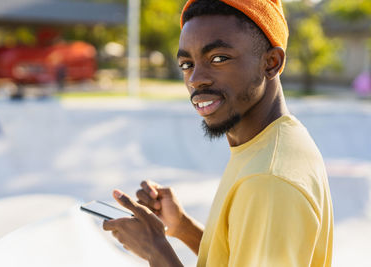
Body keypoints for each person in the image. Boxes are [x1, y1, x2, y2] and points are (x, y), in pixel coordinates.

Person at [102, 0, 334, 266]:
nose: (195, 79)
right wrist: (183, 227)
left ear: (271, 62)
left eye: (218, 58)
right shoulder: (270, 143)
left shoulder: (268, 180)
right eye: (186, 64)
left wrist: (157, 252)